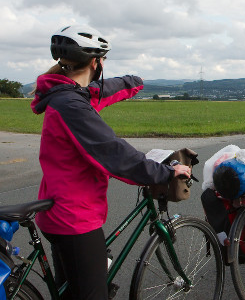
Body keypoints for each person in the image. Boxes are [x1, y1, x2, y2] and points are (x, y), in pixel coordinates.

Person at [30, 25, 191, 299]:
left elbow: (101, 91)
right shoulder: (72, 106)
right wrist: (166, 171)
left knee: (72, 291)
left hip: (57, 211)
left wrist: (133, 82)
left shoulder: (66, 95)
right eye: (102, 60)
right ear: (95, 62)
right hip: (74, 219)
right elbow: (115, 155)